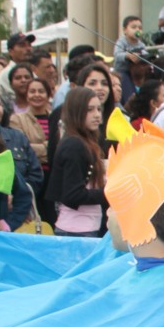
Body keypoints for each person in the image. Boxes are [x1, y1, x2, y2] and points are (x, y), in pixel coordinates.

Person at [45, 88, 107, 237]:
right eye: (89, 110)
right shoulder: (74, 145)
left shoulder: (84, 142)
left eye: (99, 109)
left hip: (85, 227)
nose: (97, 115)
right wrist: (109, 193)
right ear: (76, 111)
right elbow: (72, 194)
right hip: (76, 230)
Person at [113, 15, 152, 106]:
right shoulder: (122, 42)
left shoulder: (141, 44)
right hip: (123, 71)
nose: (137, 30)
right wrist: (128, 55)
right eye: (133, 27)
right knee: (128, 92)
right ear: (125, 30)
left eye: (140, 28)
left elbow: (145, 54)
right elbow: (117, 55)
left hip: (137, 73)